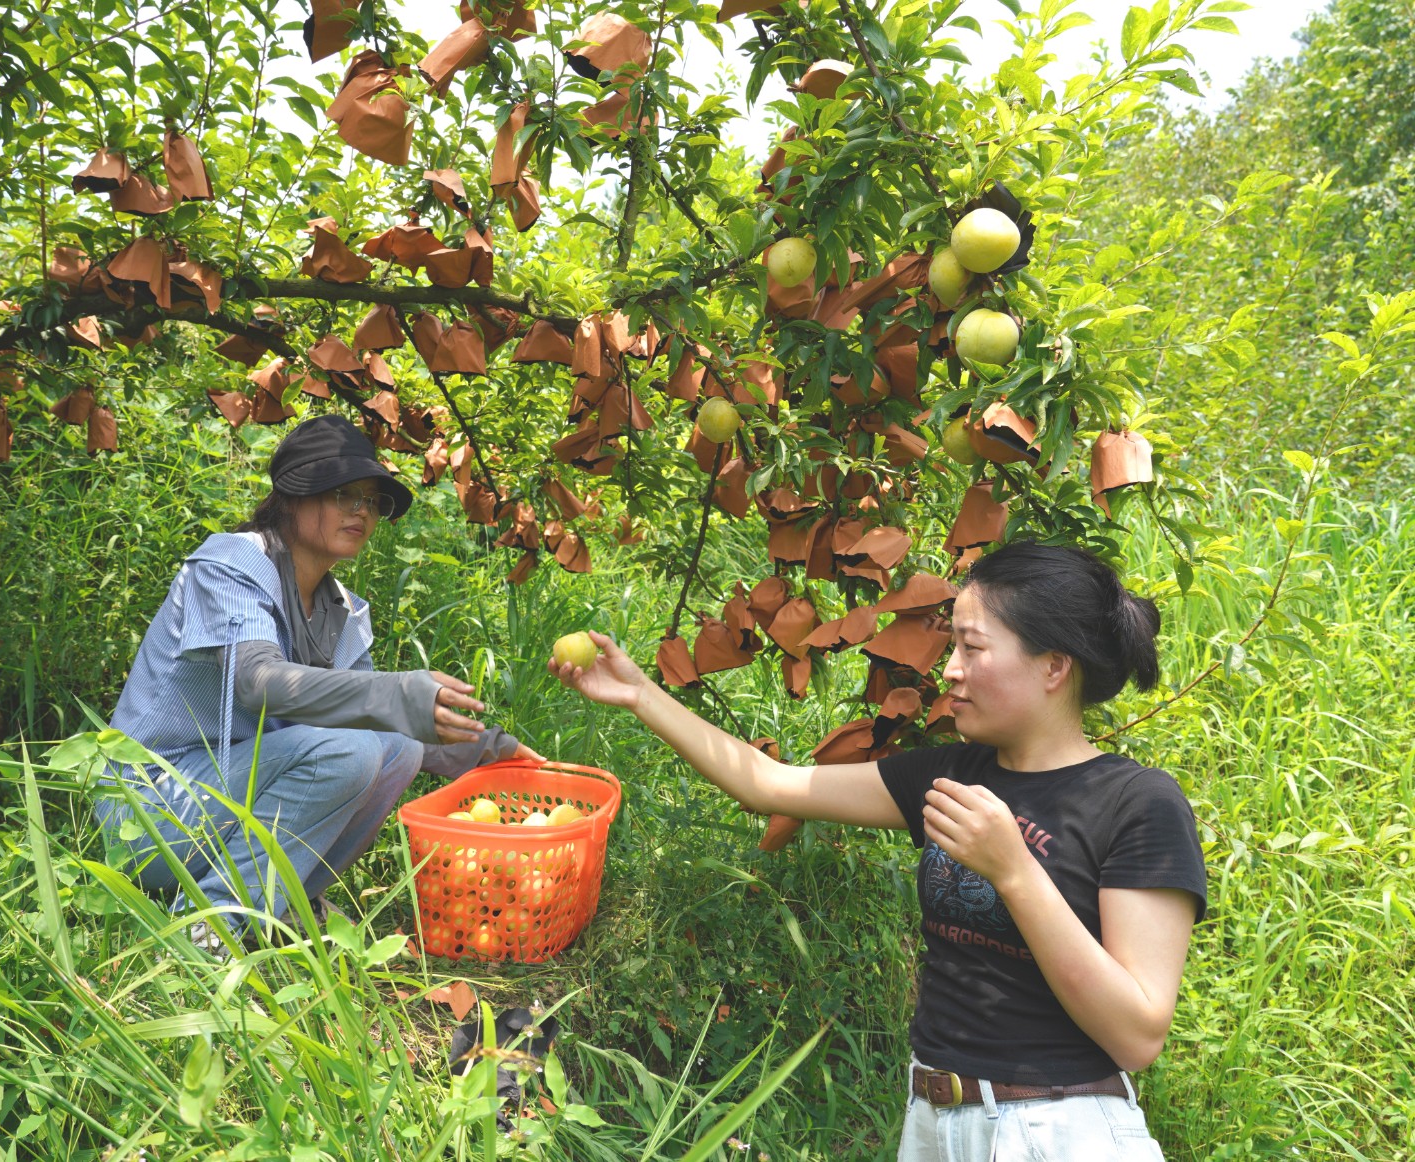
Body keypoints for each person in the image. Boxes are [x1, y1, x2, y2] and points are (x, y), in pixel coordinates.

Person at [548, 541, 1205, 1160]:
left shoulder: (1136, 803)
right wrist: (640, 693)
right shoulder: (953, 774)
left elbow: (1138, 1032)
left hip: (1060, 1128)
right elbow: (766, 784)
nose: (950, 670)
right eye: (952, 646)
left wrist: (1015, 871)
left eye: (974, 649)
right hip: (934, 1120)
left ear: (1054, 666)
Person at [95, 414, 536, 952]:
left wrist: (499, 753)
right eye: (343, 493)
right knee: (351, 750)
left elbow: (390, 727)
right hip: (146, 814)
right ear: (293, 496)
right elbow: (259, 682)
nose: (361, 511)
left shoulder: (341, 612)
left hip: (223, 802)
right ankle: (212, 924)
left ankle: (285, 901)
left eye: (371, 501)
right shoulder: (231, 564)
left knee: (392, 748)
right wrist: (396, 694)